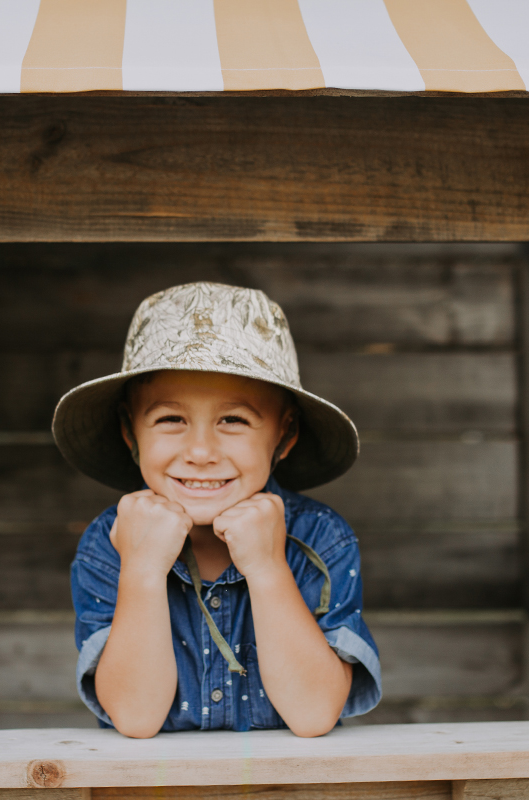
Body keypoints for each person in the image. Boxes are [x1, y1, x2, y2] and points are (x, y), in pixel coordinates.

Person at [53, 282, 381, 738]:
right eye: (171, 419)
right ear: (130, 434)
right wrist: (143, 569)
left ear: (285, 436)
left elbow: (314, 714)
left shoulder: (321, 537)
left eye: (234, 420)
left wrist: (267, 568)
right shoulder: (110, 543)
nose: (201, 451)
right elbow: (135, 716)